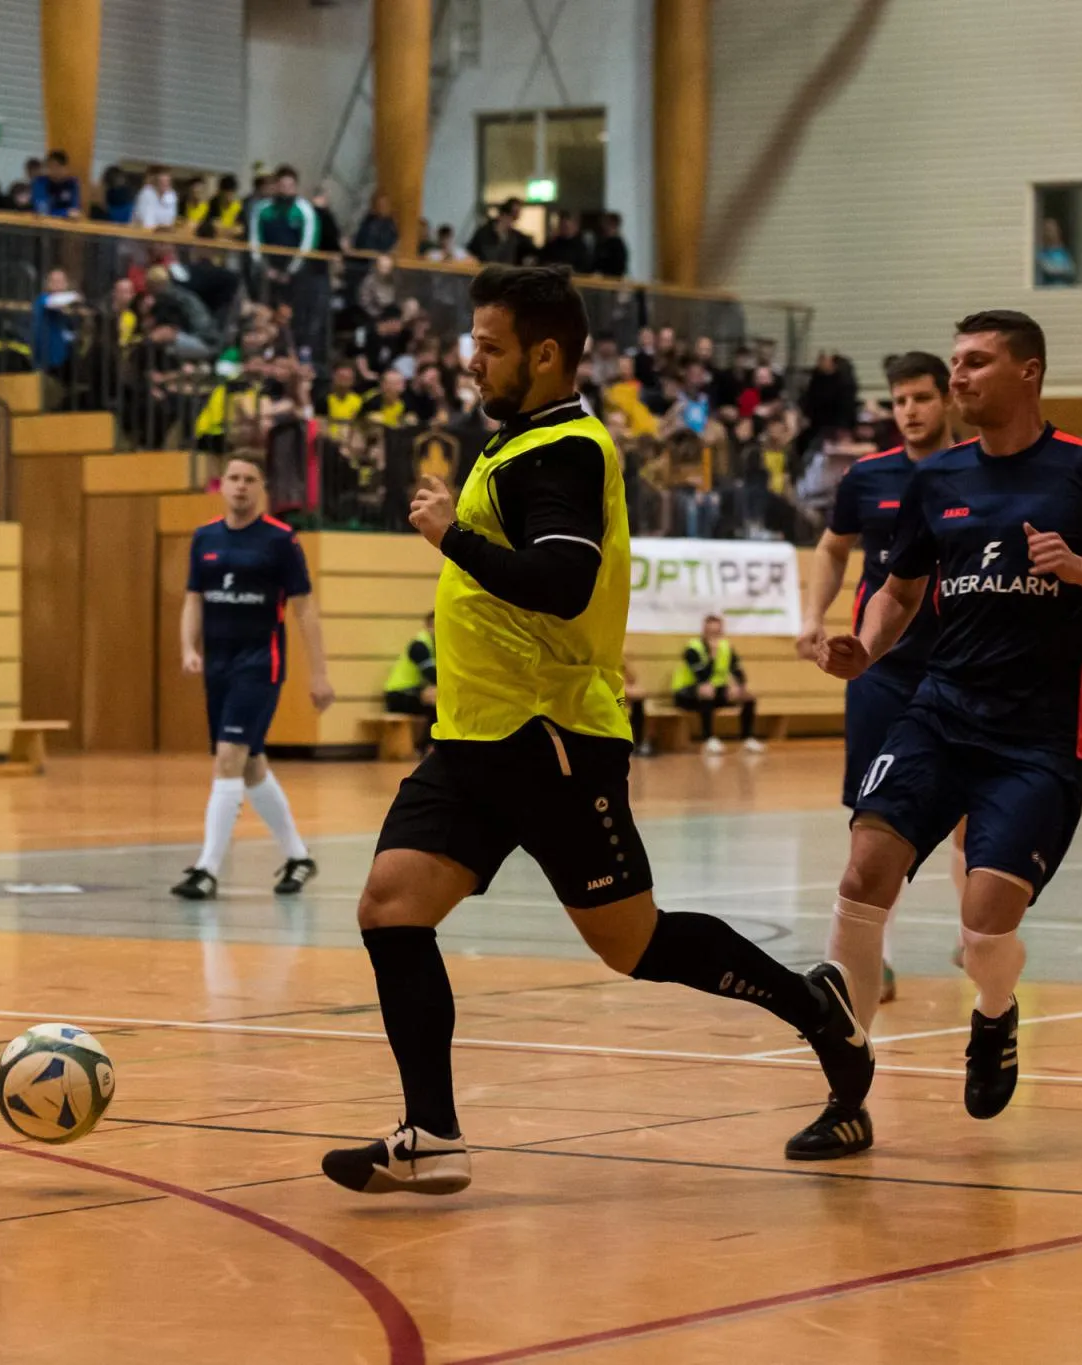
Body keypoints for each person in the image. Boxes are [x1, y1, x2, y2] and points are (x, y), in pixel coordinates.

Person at [318, 264, 870, 1196]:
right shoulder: (520, 442)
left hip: (552, 739)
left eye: (489, 346)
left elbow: (563, 582)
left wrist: (452, 536)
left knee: (633, 943)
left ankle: (817, 1007)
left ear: (544, 355)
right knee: (391, 904)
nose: (471, 361)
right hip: (476, 738)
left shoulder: (563, 451)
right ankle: (433, 1133)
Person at [794, 310, 1082, 1161]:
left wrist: (1079, 568)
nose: (959, 376)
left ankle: (995, 1013)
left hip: (1038, 737)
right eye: (955, 361)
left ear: (1028, 372)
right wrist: (866, 645)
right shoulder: (938, 479)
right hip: (938, 713)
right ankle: (845, 1094)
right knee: (863, 871)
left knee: (984, 922)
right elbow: (899, 590)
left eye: (975, 362)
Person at [801, 351, 963, 1012]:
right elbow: (833, 547)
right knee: (873, 815)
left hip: (962, 667)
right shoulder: (867, 477)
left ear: (947, 399)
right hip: (881, 670)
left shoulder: (978, 473)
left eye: (922, 397)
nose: (910, 411)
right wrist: (812, 617)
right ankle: (879, 957)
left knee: (970, 814)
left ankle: (975, 935)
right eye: (899, 401)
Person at [172, 457, 336, 901]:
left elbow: (305, 609)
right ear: (221, 485)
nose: (240, 486)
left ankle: (206, 869)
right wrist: (189, 649)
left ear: (261, 488)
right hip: (218, 666)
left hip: (261, 664)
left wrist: (319, 674)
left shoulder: (280, 541)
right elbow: (193, 598)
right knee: (249, 764)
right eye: (233, 478)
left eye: (249, 480)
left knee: (229, 757)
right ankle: (298, 856)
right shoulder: (205, 537)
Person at [670, 614, 763, 754]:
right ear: (704, 631)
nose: (714, 636)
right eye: (711, 632)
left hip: (713, 691)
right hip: (685, 693)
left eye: (717, 632)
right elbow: (703, 676)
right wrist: (712, 656)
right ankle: (709, 739)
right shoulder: (693, 649)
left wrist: (736, 686)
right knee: (707, 690)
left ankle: (748, 738)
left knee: (747, 696)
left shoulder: (726, 647)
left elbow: (738, 671)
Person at [381, 610, 436, 733]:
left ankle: (432, 740)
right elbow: (431, 675)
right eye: (434, 626)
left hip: (413, 691)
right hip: (399, 694)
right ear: (428, 626)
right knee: (436, 701)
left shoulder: (436, 646)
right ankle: (431, 741)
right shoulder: (419, 646)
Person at [30, 150, 83, 218]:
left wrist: (70, 213)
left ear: (66, 167)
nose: (54, 170)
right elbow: (42, 212)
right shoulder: (40, 182)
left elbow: (75, 211)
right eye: (50, 167)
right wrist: (65, 212)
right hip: (42, 223)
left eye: (58, 166)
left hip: (65, 223)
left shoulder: (72, 183)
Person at [1035, 217, 1076, 287]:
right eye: (1047, 230)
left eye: (1052, 230)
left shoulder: (1063, 253)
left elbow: (1071, 270)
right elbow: (1046, 268)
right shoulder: (1041, 254)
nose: (1050, 233)